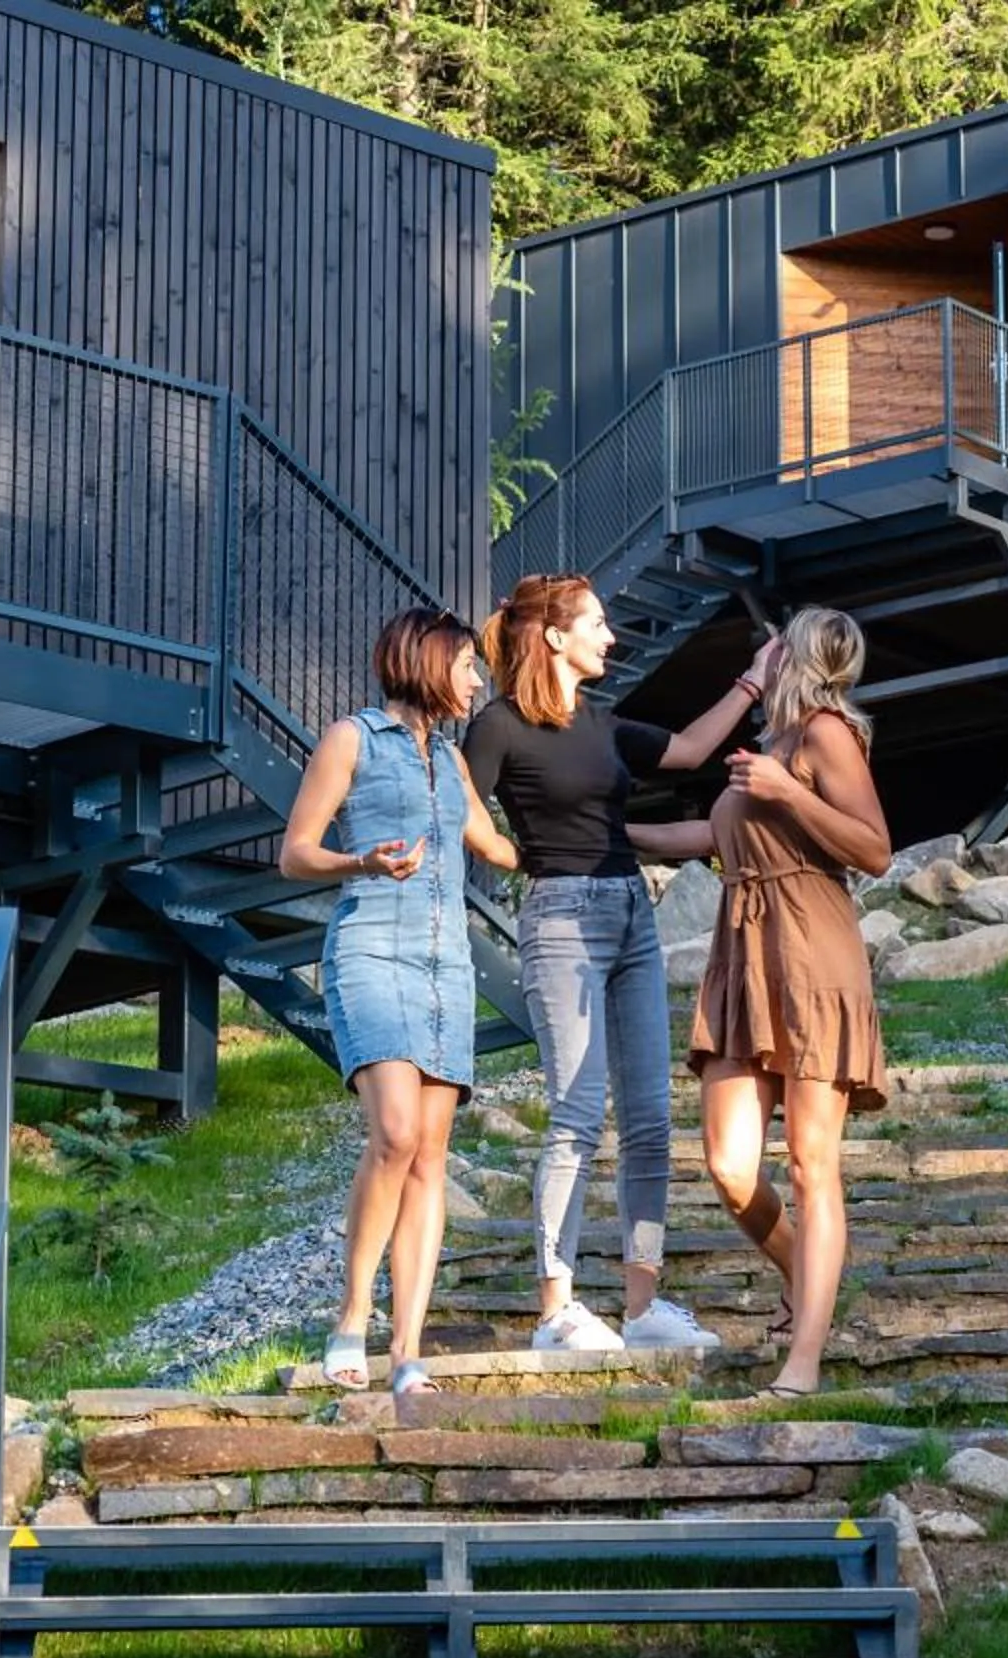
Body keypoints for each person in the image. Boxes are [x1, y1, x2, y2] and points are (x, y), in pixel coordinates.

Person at [469, 573, 767, 1353]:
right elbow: (458, 801)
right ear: (554, 636)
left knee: (646, 1118)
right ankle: (555, 1312)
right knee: (575, 1112)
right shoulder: (498, 726)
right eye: (597, 624)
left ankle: (642, 1309)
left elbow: (695, 749)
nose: (612, 637)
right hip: (562, 921)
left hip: (632, 915)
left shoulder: (605, 726)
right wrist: (511, 852)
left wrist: (754, 680)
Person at [631, 607, 890, 1398]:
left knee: (813, 1167)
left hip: (812, 947)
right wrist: (603, 827)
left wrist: (788, 791)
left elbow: (875, 848)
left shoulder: (824, 733)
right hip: (745, 953)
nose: (758, 657)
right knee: (728, 1163)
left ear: (796, 656)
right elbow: (709, 839)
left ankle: (803, 1363)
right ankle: (805, 1278)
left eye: (769, 649)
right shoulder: (772, 746)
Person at [278, 609, 519, 1395]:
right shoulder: (351, 739)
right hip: (371, 949)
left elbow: (498, 848)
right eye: (469, 666)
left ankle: (409, 1349)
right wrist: (362, 861)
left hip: (447, 968)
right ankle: (352, 1316)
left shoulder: (450, 762)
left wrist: (592, 827)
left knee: (431, 1157)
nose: (478, 681)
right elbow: (295, 854)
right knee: (394, 1132)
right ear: (428, 661)